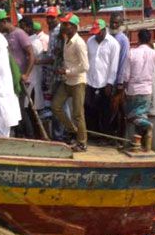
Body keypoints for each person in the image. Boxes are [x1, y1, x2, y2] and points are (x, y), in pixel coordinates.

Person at [120, 29, 155, 151]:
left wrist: (124, 89)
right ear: (150, 40)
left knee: (132, 117)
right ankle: (138, 144)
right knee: (140, 116)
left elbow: (126, 76)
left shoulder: (132, 53)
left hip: (133, 90)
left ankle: (147, 129)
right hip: (146, 91)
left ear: (138, 39)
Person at [51, 15, 89, 150]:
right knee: (55, 106)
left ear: (73, 26)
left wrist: (66, 71)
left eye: (66, 24)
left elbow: (85, 67)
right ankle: (73, 130)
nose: (63, 26)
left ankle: (82, 143)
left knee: (78, 114)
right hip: (68, 81)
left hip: (77, 81)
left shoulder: (79, 43)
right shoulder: (67, 39)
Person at [3, 12, 36, 138]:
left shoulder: (19, 34)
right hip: (12, 78)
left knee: (20, 108)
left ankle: (30, 136)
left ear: (5, 22)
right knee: (14, 107)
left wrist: (26, 74)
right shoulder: (5, 36)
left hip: (22, 77)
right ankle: (19, 134)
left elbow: (31, 55)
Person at [85, 18, 120, 133]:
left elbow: (114, 65)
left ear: (104, 30)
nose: (97, 35)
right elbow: (87, 61)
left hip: (105, 83)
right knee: (90, 110)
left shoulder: (113, 44)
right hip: (90, 81)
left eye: (98, 32)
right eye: (95, 33)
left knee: (105, 111)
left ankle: (105, 135)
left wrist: (110, 83)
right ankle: (93, 134)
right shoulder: (90, 41)